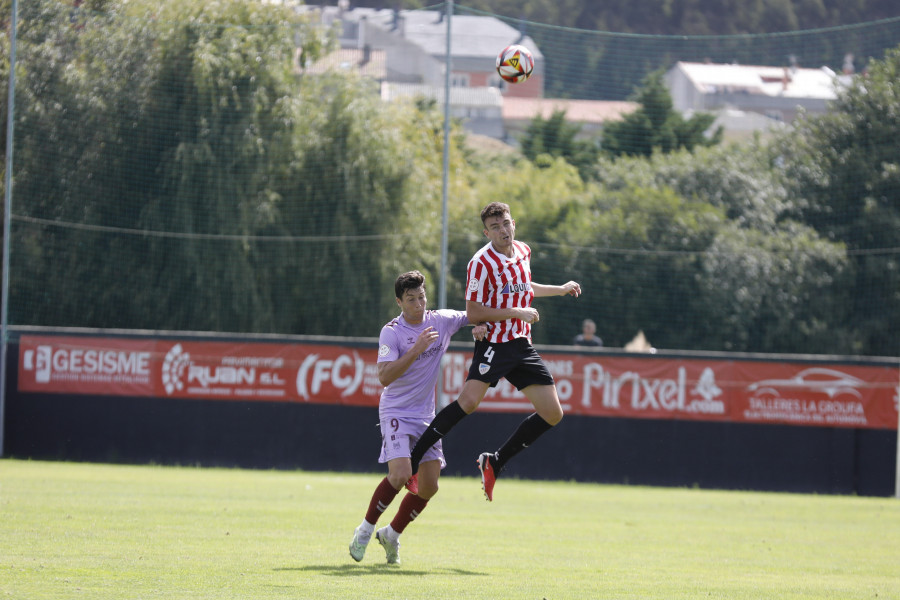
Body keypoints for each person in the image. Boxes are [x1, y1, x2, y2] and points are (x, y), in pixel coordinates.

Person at [406, 202, 581, 502]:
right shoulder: (481, 263)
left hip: (521, 345)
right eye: (495, 227)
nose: (503, 230)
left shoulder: (523, 251)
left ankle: (495, 461)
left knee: (553, 413)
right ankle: (413, 461)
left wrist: (560, 288)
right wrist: (516, 313)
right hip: (495, 344)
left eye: (506, 224)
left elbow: (524, 285)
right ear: (486, 232)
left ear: (514, 224)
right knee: (468, 402)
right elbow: (473, 312)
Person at [349, 270, 486, 565]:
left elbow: (473, 314)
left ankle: (391, 535)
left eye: (421, 297)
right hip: (396, 411)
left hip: (426, 416)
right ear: (399, 301)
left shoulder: (440, 320)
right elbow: (384, 376)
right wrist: (416, 349)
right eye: (411, 299)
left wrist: (481, 324)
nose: (418, 304)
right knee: (399, 474)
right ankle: (365, 529)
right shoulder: (392, 331)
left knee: (429, 487)